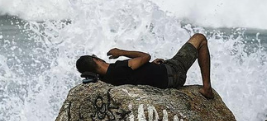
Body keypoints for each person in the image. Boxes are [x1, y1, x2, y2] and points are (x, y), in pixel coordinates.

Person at [75, 33, 214, 99]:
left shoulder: (108, 80)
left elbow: (137, 75)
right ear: (96, 60)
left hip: (165, 75)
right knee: (200, 39)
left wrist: (150, 66)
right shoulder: (119, 67)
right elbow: (146, 56)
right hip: (174, 72)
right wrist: (120, 52)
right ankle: (206, 87)